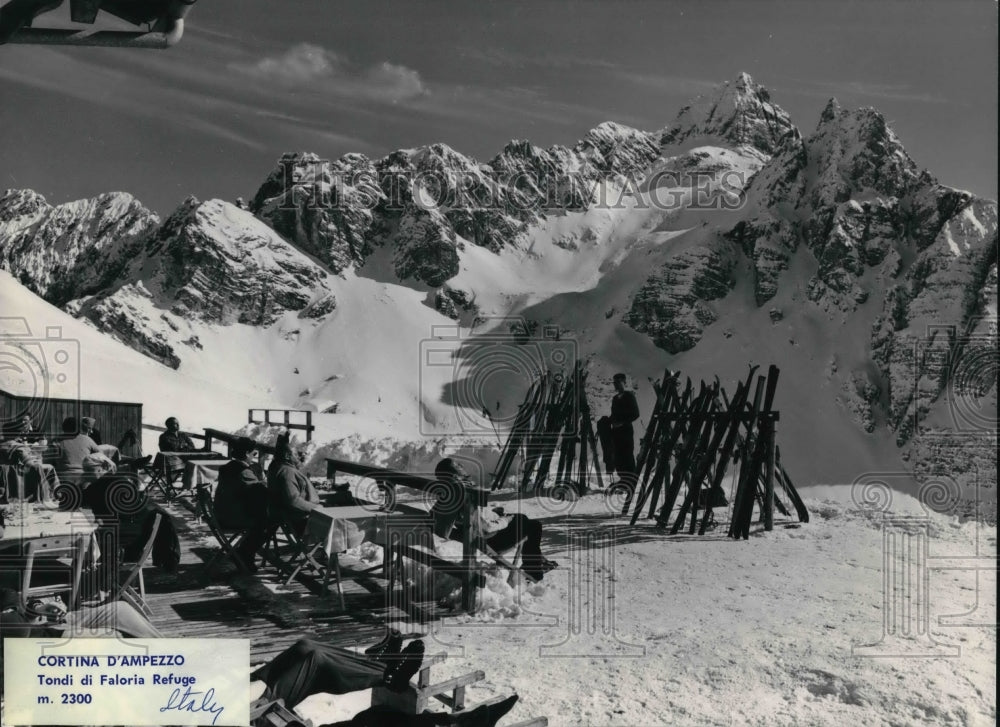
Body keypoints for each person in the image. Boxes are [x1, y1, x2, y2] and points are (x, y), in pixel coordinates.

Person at [252, 637, 519, 727]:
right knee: (314, 657)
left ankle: (380, 665)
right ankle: (386, 673)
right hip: (258, 714)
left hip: (253, 705)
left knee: (305, 648)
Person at [432, 459, 555, 582]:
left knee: (522, 519)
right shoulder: (468, 494)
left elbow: (435, 518)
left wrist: (494, 514)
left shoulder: (448, 496)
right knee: (533, 525)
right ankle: (534, 572)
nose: (463, 470)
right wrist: (505, 520)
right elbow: (487, 527)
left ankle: (537, 561)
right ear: (456, 475)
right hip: (494, 540)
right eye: (460, 469)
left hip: (480, 534)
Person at [215, 437, 269, 571]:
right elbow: (261, 491)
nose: (254, 457)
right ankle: (245, 554)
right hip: (231, 518)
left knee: (263, 517)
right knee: (269, 522)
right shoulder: (243, 471)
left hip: (222, 513)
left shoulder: (228, 467)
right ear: (246, 454)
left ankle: (243, 552)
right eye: (254, 454)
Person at [267, 431, 319, 536]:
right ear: (287, 455)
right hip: (299, 521)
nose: (300, 456)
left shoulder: (275, 466)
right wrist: (315, 508)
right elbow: (293, 500)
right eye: (296, 454)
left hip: (284, 516)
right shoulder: (286, 472)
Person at [608, 373, 640, 493]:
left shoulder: (629, 396)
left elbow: (635, 414)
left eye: (618, 382)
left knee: (627, 456)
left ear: (624, 383)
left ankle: (631, 482)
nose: (616, 385)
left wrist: (622, 422)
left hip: (626, 431)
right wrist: (609, 421)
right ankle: (623, 481)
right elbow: (614, 414)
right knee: (618, 457)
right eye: (615, 383)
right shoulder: (615, 399)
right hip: (616, 432)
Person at [54, 416, 108, 482]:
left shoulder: (56, 440)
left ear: (63, 428)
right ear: (79, 428)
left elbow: (48, 460)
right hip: (85, 479)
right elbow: (101, 455)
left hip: (63, 479)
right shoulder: (87, 439)